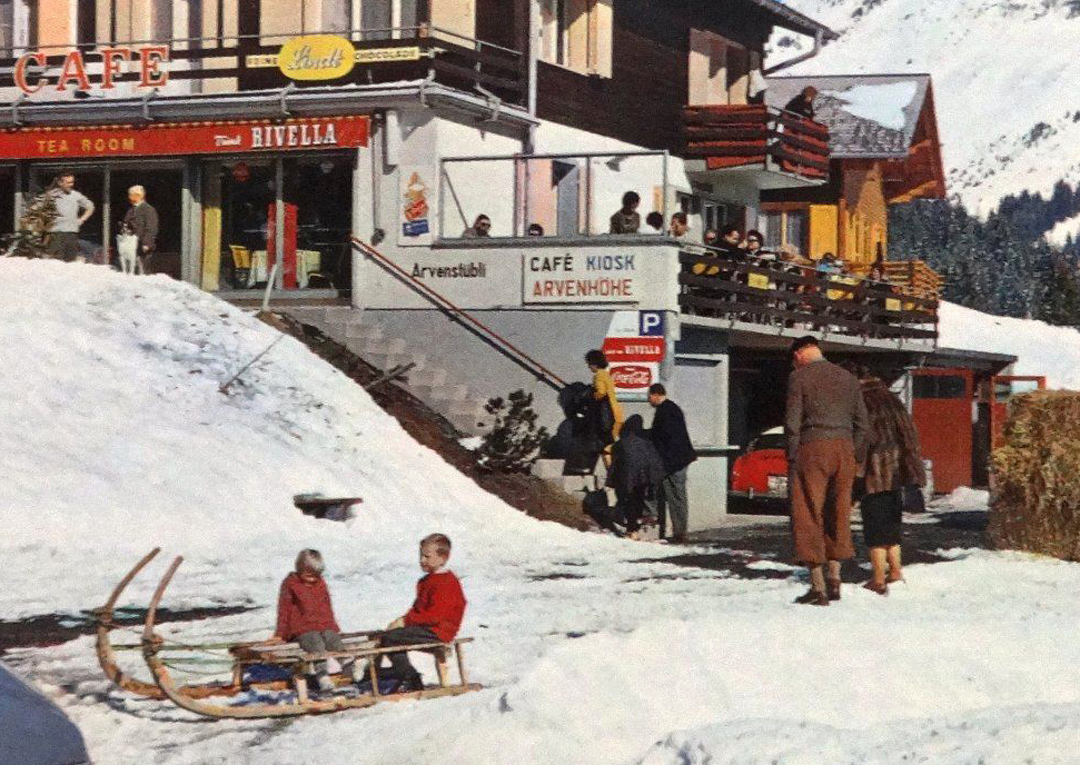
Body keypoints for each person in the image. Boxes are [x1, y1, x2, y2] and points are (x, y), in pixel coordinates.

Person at [785, 336, 869, 606]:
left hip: (812, 448)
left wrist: (793, 455)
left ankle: (817, 587)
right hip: (844, 449)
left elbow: (792, 423)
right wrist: (854, 454)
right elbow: (863, 425)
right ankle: (835, 578)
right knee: (839, 512)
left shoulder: (798, 378)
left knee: (808, 512)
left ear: (799, 354)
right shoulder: (848, 378)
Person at [857, 369, 926, 595]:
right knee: (891, 523)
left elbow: (863, 439)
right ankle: (895, 570)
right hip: (896, 471)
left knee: (874, 527)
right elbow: (909, 434)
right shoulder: (892, 399)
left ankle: (878, 578)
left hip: (874, 472)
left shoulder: (862, 401)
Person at [378, 534, 466, 692]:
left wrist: (406, 621)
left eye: (427, 556)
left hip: (439, 631)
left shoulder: (446, 582)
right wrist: (403, 620)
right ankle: (392, 673)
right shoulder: (426, 581)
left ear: (443, 558)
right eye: (421, 556)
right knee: (387, 636)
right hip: (427, 628)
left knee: (391, 639)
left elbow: (435, 615)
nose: (422, 560)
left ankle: (410, 677)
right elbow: (418, 609)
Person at [269, 549, 355, 692]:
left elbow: (327, 606)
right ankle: (322, 675)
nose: (312, 580)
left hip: (322, 625)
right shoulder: (290, 584)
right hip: (301, 629)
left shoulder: (320, 583)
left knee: (331, 636)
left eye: (316, 575)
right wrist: (280, 634)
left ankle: (346, 661)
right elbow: (284, 610)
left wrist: (333, 626)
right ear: (299, 569)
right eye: (309, 575)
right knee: (315, 641)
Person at [648, 383, 697, 543]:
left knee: (676, 496)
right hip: (678, 459)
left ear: (656, 395)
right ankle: (679, 530)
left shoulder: (664, 411)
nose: (649, 400)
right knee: (676, 495)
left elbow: (663, 436)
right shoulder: (672, 408)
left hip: (674, 461)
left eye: (649, 396)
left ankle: (680, 532)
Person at [607, 414, 666, 540]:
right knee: (639, 503)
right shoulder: (647, 444)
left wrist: (611, 481)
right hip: (643, 480)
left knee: (627, 503)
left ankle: (630, 530)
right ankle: (638, 530)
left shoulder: (619, 445)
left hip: (625, 480)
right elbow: (654, 463)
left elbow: (614, 466)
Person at [586, 349, 624, 468]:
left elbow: (601, 392)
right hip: (616, 413)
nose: (588, 367)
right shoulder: (606, 374)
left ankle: (612, 474)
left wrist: (591, 396)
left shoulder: (599, 375)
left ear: (594, 364)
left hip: (607, 416)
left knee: (606, 447)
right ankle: (613, 472)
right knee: (609, 446)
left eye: (589, 364)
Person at [45, 172, 95, 262]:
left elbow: (90, 206)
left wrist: (82, 220)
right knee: (55, 262)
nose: (71, 185)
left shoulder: (76, 195)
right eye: (68, 182)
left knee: (70, 262)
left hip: (71, 234)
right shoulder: (51, 195)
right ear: (60, 183)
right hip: (55, 234)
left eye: (72, 182)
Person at [122, 185, 159, 272]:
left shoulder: (148, 209)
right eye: (130, 195)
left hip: (142, 247)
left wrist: (146, 243)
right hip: (130, 246)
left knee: (142, 271)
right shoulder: (131, 210)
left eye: (132, 195)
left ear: (140, 196)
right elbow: (126, 224)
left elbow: (151, 228)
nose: (130, 197)